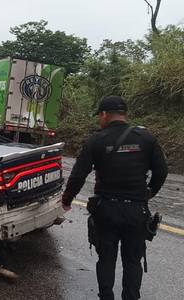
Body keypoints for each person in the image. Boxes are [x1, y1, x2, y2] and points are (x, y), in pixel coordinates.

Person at [61, 96, 168, 300]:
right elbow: (161, 172)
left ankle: (106, 297)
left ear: (104, 114)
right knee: (133, 261)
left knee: (106, 259)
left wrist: (67, 200)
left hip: (106, 210)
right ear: (124, 114)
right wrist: (148, 193)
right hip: (137, 211)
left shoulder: (96, 139)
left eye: (99, 117)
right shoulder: (146, 138)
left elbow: (78, 175)